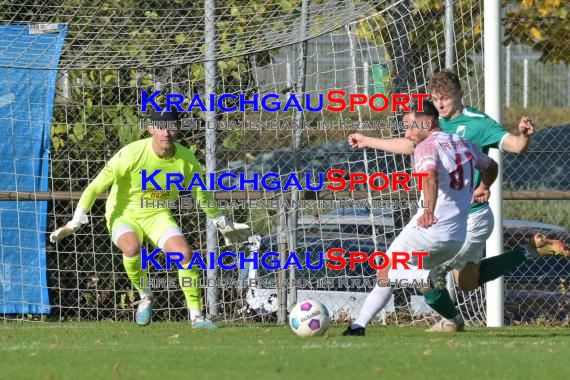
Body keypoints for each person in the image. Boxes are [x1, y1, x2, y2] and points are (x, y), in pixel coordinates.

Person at [346, 70, 569, 333]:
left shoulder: (478, 123)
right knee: (464, 283)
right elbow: (411, 145)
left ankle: (449, 319)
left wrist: (522, 137)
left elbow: (515, 147)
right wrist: (367, 140)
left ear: (460, 95)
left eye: (446, 99)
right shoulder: (434, 124)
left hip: (472, 216)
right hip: (448, 220)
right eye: (435, 99)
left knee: (428, 277)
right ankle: (529, 251)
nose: (440, 105)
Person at [50, 108, 250, 328]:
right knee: (132, 248)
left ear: (178, 129)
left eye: (172, 127)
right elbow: (95, 187)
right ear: (151, 128)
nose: (167, 132)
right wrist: (76, 221)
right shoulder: (131, 154)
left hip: (157, 215)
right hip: (123, 213)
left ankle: (196, 316)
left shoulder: (186, 159)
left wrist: (221, 221)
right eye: (162, 127)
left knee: (184, 254)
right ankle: (145, 296)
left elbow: (201, 194)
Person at [343, 99, 499, 337]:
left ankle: (421, 278)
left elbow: (430, 178)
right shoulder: (462, 143)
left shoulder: (427, 147)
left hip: (429, 229)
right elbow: (492, 165)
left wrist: (428, 210)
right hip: (455, 237)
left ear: (427, 122)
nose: (407, 132)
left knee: (386, 271)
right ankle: (357, 327)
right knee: (390, 274)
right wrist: (484, 186)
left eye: (410, 125)